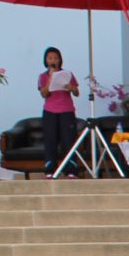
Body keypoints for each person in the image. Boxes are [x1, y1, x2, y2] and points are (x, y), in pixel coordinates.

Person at [37, 47, 78, 177]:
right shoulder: (43, 76)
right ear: (46, 60)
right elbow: (44, 94)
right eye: (50, 58)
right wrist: (51, 78)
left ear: (60, 60)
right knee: (50, 141)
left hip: (67, 111)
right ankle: (50, 170)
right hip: (50, 112)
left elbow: (77, 92)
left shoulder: (67, 74)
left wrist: (71, 88)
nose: (53, 60)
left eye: (55, 58)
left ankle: (70, 170)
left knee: (68, 141)